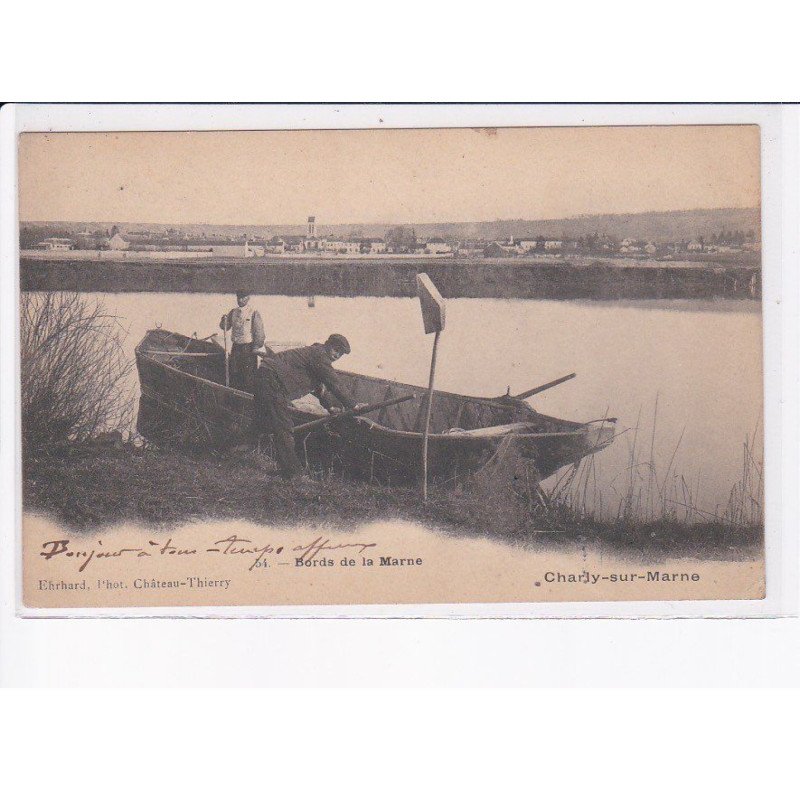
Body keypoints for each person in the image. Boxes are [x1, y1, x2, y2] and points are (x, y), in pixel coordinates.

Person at [253, 334, 365, 480]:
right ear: (327, 345)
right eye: (335, 350)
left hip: (265, 376)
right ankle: (294, 475)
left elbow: (319, 387)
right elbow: (334, 383)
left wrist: (330, 407)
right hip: (271, 380)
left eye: (340, 353)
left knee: (261, 424)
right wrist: (354, 405)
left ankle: (228, 448)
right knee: (284, 426)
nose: (337, 355)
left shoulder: (315, 354)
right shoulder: (320, 356)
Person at [219, 291, 266, 391]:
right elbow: (225, 327)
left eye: (242, 297)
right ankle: (235, 397)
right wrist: (223, 320)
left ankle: (248, 397)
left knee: (248, 375)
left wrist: (256, 347)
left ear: (248, 298)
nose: (240, 300)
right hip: (236, 347)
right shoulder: (233, 312)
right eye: (238, 297)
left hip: (248, 348)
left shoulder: (253, 312)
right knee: (234, 372)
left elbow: (259, 332)